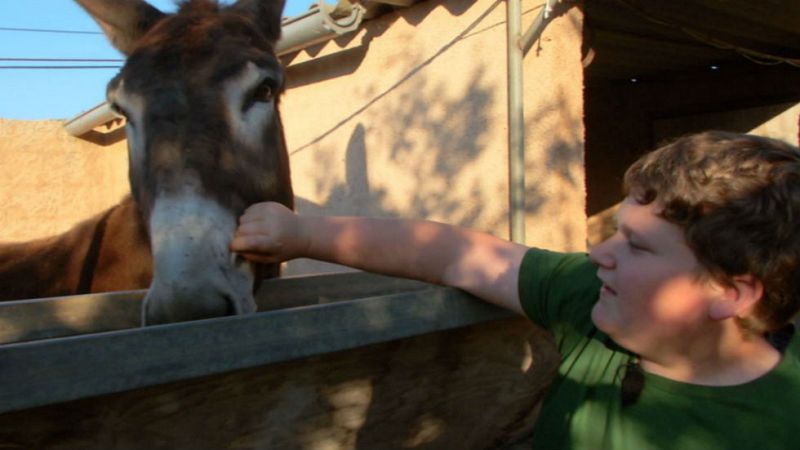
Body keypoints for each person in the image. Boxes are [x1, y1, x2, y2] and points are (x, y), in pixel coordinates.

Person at [231, 130, 800, 449]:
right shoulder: (591, 301)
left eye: (637, 246)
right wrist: (303, 234)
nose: (599, 253)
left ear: (730, 293)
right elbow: (456, 255)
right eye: (616, 232)